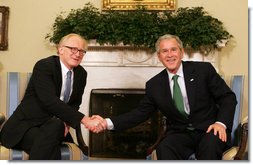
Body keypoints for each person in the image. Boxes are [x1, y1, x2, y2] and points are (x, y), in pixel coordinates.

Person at [90, 34, 237, 160]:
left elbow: (227, 97)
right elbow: (139, 114)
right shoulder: (155, 85)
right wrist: (106, 122)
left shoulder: (202, 70)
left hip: (210, 129)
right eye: (164, 51)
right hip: (181, 133)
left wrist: (221, 123)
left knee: (210, 146)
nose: (170, 55)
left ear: (181, 52)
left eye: (173, 50)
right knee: (164, 147)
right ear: (159, 56)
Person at [0, 33, 103, 160]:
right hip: (25, 128)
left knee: (54, 129)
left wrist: (66, 122)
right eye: (73, 49)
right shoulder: (44, 66)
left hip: (54, 129)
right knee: (49, 141)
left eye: (82, 51)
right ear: (60, 50)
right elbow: (49, 101)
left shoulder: (81, 74)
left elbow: (75, 103)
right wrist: (85, 119)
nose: (78, 54)